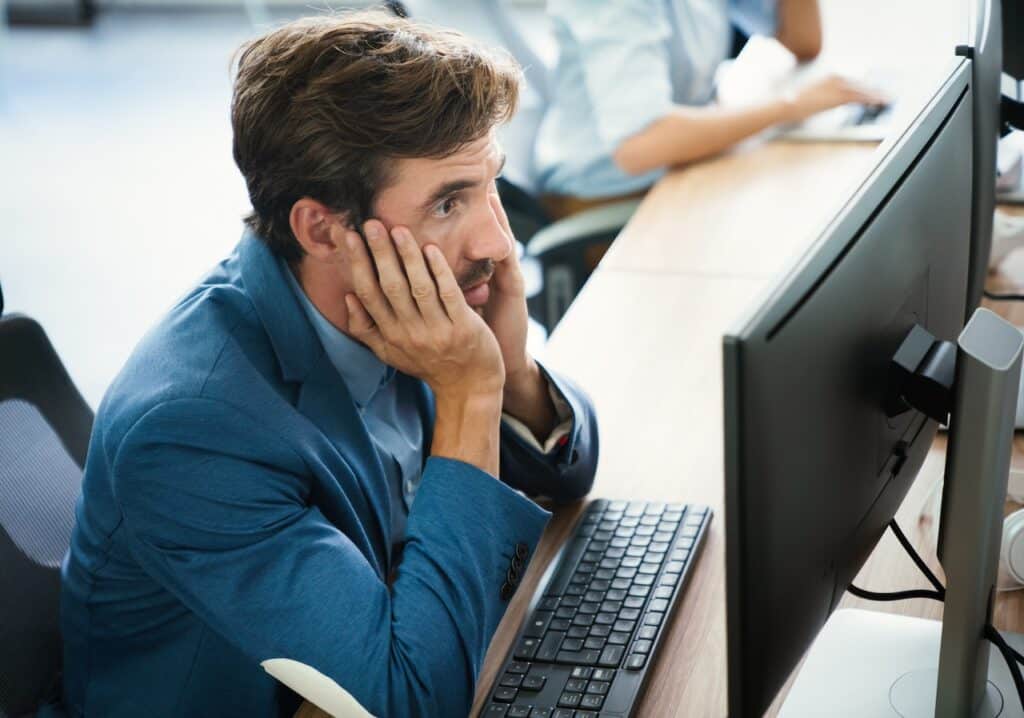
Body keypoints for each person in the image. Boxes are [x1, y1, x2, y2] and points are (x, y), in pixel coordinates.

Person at [58, 12, 598, 718]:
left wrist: (511, 366)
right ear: (321, 228)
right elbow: (415, 700)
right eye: (447, 201)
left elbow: (567, 472)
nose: (499, 240)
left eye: (489, 184)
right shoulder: (192, 428)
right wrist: (469, 395)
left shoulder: (394, 302)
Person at [535, 0, 889, 203]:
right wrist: (791, 104)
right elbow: (639, 144)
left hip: (678, 158)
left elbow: (803, 39)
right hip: (605, 191)